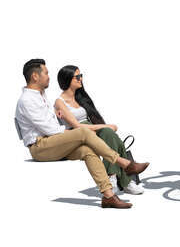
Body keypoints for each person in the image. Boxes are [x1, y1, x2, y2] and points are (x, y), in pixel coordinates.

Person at [15, 59, 149, 208]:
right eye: (46, 73)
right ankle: (124, 163)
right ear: (35, 76)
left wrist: (55, 117)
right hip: (40, 147)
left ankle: (108, 196)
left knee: (88, 151)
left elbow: (47, 123)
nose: (48, 76)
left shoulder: (40, 95)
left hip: (51, 143)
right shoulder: (27, 99)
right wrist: (66, 130)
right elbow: (50, 129)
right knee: (83, 131)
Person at [54, 65, 144, 195]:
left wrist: (105, 127)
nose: (81, 79)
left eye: (81, 76)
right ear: (67, 79)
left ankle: (114, 178)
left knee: (111, 135)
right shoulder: (59, 102)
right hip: (77, 133)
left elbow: (93, 119)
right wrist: (105, 126)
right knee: (109, 132)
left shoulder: (81, 97)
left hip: (91, 128)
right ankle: (124, 181)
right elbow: (77, 126)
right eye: (77, 77)